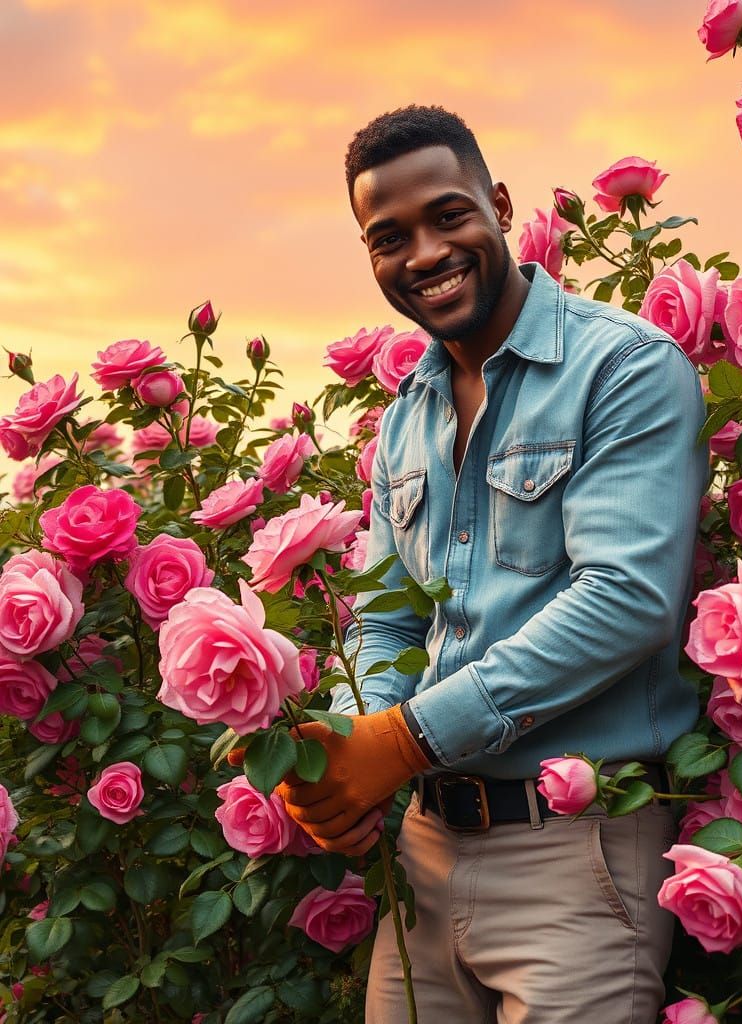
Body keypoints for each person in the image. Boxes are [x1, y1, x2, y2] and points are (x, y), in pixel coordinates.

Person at [279, 104, 708, 1023]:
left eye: (448, 215)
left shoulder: (622, 367)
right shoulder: (407, 414)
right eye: (387, 238)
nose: (424, 253)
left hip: (576, 860)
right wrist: (349, 752)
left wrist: (400, 742)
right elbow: (390, 620)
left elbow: (626, 600)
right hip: (425, 855)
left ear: (500, 204)